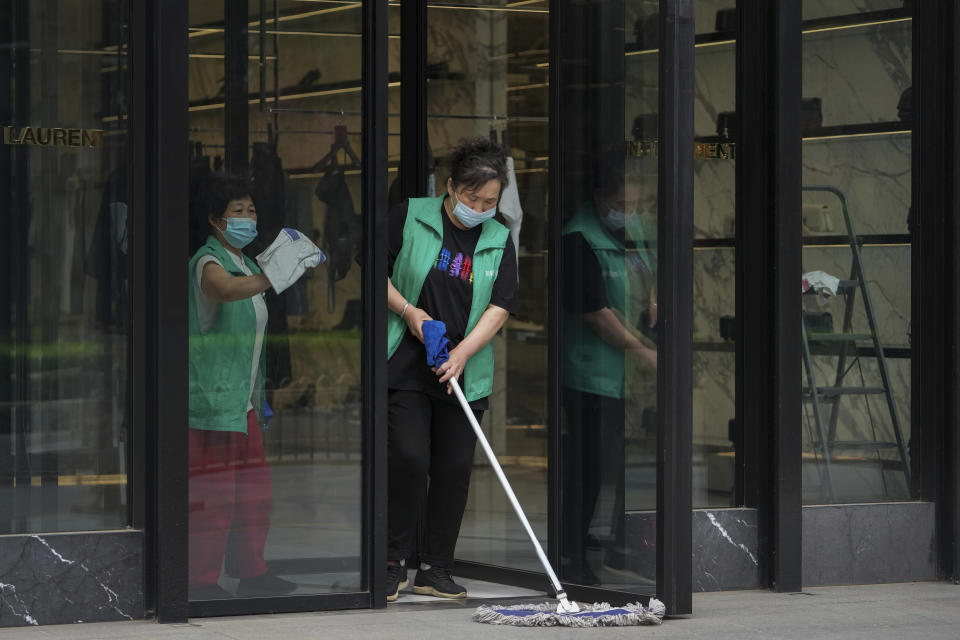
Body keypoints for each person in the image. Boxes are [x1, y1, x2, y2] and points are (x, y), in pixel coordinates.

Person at [385, 138, 518, 601]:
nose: (480, 208)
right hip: (406, 361)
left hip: (464, 371)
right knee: (408, 456)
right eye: (471, 197)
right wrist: (411, 314)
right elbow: (373, 275)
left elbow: (500, 306)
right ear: (450, 187)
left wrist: (463, 354)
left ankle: (435, 567)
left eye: (489, 201)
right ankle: (392, 560)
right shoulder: (410, 215)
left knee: (454, 467)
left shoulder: (499, 237)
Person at [187, 175, 306, 600]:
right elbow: (222, 291)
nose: (247, 218)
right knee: (214, 498)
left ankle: (252, 571)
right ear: (215, 220)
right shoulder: (207, 260)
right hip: (211, 402)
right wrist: (274, 276)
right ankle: (201, 581)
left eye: (251, 211)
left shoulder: (249, 263)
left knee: (254, 495)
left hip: (244, 404)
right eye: (238, 212)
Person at [561, 161, 657, 586]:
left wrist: (655, 296)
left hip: (623, 375)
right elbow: (595, 312)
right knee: (589, 467)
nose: (628, 211)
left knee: (617, 465)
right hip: (590, 373)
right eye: (620, 204)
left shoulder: (630, 232)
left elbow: (648, 269)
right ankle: (571, 551)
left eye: (634, 204)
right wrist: (641, 350)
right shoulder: (578, 239)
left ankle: (615, 545)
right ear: (599, 198)